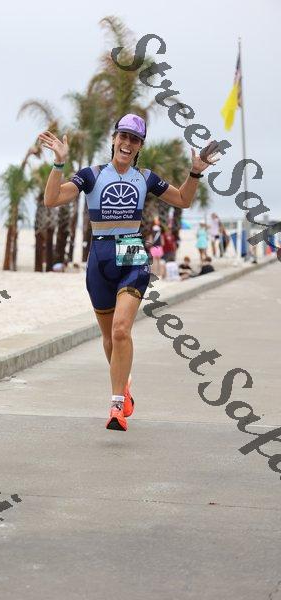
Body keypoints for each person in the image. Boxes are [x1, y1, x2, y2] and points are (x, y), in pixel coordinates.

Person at [39, 114, 220, 432]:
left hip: (132, 251)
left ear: (140, 146)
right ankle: (125, 384)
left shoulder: (145, 177)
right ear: (114, 139)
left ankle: (116, 406)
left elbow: (183, 199)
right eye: (123, 136)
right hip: (100, 258)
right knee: (109, 338)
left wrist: (195, 172)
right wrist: (59, 163)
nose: (127, 143)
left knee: (121, 330)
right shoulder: (91, 175)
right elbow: (52, 199)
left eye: (134, 139)